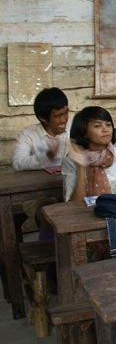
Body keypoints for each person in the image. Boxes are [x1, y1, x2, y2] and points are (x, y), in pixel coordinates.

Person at [12, 87, 70, 235]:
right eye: (58, 116)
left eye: (66, 112)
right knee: (51, 215)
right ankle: (52, 256)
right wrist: (46, 156)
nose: (64, 119)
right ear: (43, 118)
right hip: (39, 195)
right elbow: (18, 163)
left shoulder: (73, 129)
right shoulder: (28, 135)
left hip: (69, 189)